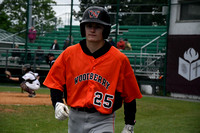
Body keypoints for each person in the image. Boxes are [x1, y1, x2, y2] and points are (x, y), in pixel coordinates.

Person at [43, 6, 142, 133]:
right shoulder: (69, 54)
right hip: (75, 117)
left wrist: (129, 124)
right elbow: (55, 81)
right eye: (89, 25)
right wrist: (57, 102)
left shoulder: (119, 59)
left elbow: (130, 94)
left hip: (103, 120)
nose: (93, 30)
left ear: (105, 30)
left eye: (98, 26)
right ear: (83, 28)